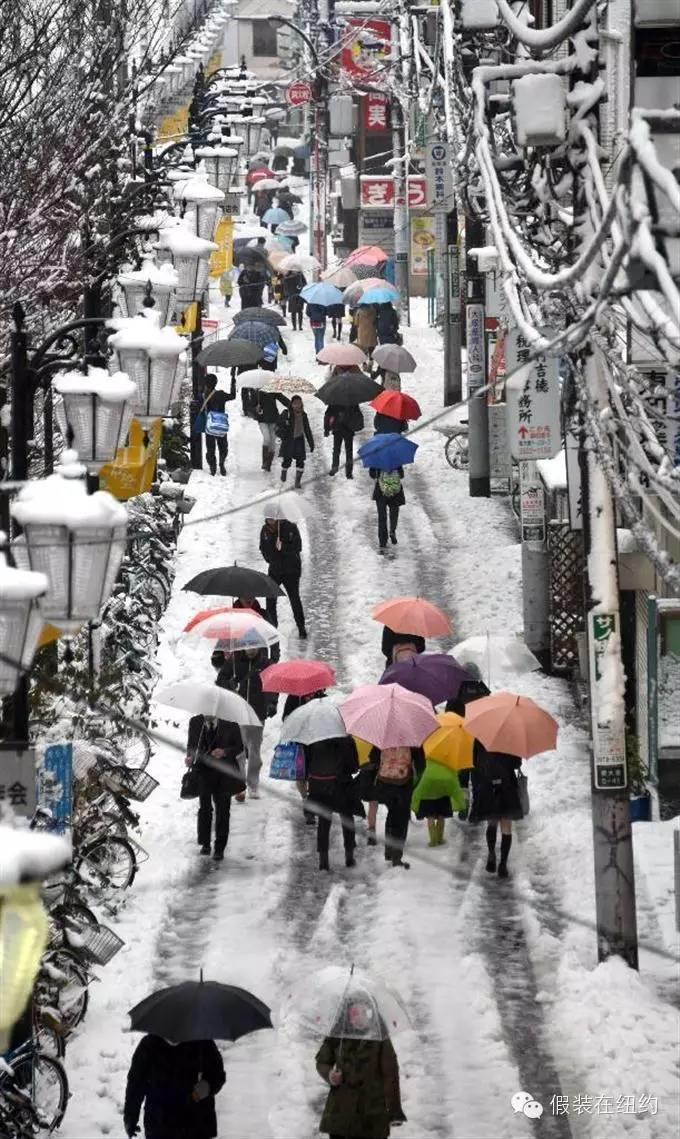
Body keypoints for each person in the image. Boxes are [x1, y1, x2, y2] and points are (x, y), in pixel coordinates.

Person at [315, 1011, 406, 1138]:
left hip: (371, 1115)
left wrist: (394, 1110)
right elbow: (322, 1062)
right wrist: (330, 1075)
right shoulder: (338, 1035)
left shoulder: (380, 1038)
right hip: (340, 1112)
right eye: (353, 1013)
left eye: (361, 1012)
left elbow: (390, 1075)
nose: (357, 1017)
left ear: (370, 1013)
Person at [124, 1035, 225, 1139]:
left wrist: (203, 1089)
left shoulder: (202, 1043)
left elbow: (217, 1075)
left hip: (195, 1123)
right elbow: (136, 1083)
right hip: (160, 1123)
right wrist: (131, 1117)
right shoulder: (149, 1044)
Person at [185, 714, 245, 861]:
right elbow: (191, 745)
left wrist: (224, 752)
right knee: (204, 808)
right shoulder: (195, 722)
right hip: (203, 771)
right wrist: (190, 757)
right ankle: (205, 843)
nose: (207, 714)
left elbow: (240, 747)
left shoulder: (230, 722)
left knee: (223, 810)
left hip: (224, 773)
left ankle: (220, 847)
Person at [304, 736, 362, 871]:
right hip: (342, 786)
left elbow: (307, 764)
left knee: (323, 822)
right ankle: (349, 856)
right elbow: (354, 767)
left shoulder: (313, 739)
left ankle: (323, 861)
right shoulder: (346, 740)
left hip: (319, 786)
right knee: (347, 819)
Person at [360, 745, 424, 867]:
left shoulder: (384, 738)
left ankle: (388, 850)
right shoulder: (413, 741)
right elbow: (421, 764)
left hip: (384, 783)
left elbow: (373, 758)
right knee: (401, 818)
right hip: (403, 784)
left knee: (391, 813)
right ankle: (396, 855)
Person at [469, 747, 524, 877]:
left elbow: (474, 763)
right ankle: (503, 864)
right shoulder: (509, 739)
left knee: (492, 822)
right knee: (506, 826)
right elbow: (516, 764)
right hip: (507, 786)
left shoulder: (480, 738)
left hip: (488, 785)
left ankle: (491, 853)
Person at [232, 642, 275, 799]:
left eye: (253, 646)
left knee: (254, 751)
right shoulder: (236, 663)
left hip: (258, 713)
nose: (250, 650)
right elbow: (223, 681)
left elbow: (272, 686)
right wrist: (231, 683)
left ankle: (253, 784)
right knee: (239, 751)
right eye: (247, 646)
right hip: (239, 712)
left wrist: (271, 703)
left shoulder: (265, 664)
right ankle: (240, 786)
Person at [283, 689, 327, 824]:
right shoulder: (294, 697)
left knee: (314, 775)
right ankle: (306, 799)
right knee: (300, 775)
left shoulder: (323, 699)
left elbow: (327, 720)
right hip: (299, 742)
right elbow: (285, 718)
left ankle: (311, 807)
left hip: (317, 743)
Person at [260, 513, 307, 638]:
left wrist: (283, 546)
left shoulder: (291, 527)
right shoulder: (265, 530)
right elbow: (263, 548)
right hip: (275, 570)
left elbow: (298, 546)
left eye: (272, 518)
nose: (270, 521)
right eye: (268, 519)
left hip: (291, 570)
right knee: (270, 598)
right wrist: (270, 557)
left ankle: (301, 627)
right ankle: (272, 627)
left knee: (294, 598)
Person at [243, 387, 291, 472]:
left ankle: (268, 464)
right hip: (262, 420)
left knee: (272, 442)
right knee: (267, 438)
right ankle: (264, 462)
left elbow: (283, 399)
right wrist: (255, 408)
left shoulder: (273, 390)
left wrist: (292, 406)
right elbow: (249, 406)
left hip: (274, 419)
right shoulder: (257, 393)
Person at [200, 373, 236, 477]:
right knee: (223, 446)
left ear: (206, 384)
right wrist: (233, 381)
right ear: (216, 383)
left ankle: (213, 467)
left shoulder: (203, 395)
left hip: (210, 424)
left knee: (210, 447)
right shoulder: (221, 394)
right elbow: (232, 396)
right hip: (221, 424)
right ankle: (221, 463)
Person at [276, 394, 315, 487]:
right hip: (289, 440)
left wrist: (311, 442)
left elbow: (307, 429)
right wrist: (285, 424)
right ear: (291, 404)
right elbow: (278, 424)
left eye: (299, 403)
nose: (297, 405)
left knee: (300, 461)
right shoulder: (287, 413)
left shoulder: (303, 415)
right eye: (295, 403)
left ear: (302, 404)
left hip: (299, 440)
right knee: (287, 460)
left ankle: (297, 481)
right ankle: (284, 471)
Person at [370, 465, 405, 553]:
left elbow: (372, 474)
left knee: (382, 517)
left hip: (381, 491)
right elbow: (401, 475)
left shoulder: (376, 459)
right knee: (394, 512)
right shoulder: (396, 458)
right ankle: (392, 530)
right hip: (395, 491)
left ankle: (382, 541)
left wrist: (379, 475)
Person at [324, 403, 363, 479]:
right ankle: (335, 468)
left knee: (347, 451)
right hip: (338, 429)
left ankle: (348, 472)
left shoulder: (352, 403)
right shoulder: (335, 402)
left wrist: (347, 416)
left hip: (348, 430)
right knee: (337, 450)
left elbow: (357, 415)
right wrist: (326, 429)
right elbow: (328, 415)